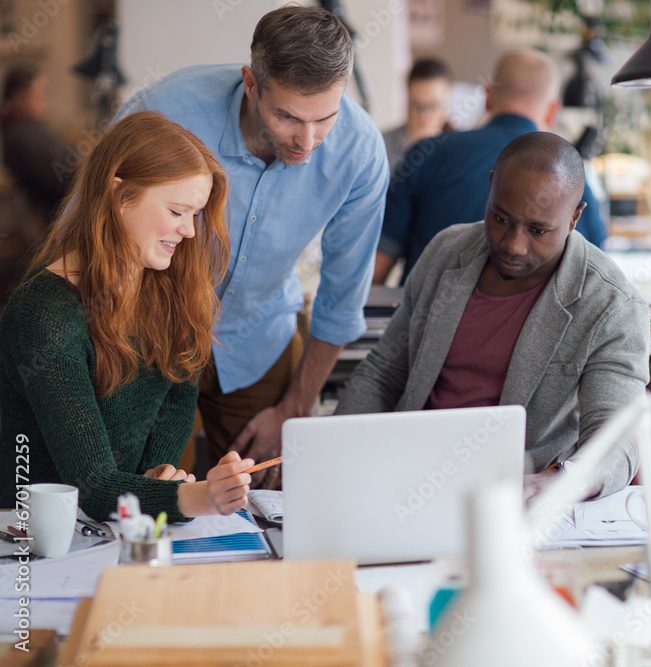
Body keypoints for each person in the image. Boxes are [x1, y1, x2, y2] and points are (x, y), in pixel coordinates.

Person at [114, 6, 390, 486]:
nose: (307, 140)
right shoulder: (164, 112)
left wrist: (293, 408)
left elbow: (341, 300)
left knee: (270, 498)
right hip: (148, 338)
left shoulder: (360, 151)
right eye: (287, 116)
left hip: (258, 341)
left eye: (324, 118)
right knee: (147, 497)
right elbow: (94, 236)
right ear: (250, 83)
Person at [337, 132, 649, 498]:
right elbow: (383, 373)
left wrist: (557, 483)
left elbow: (617, 437)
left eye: (538, 230)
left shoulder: (612, 304)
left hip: (514, 497)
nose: (513, 245)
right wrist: (332, 454)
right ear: (490, 189)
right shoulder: (446, 251)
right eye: (501, 218)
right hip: (409, 481)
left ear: (575, 217)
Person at [0, 111, 254, 522]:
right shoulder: (44, 314)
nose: (190, 231)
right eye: (176, 211)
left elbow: (175, 403)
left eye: (195, 214)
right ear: (119, 197)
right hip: (36, 534)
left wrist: (159, 476)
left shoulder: (172, 288)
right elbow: (93, 486)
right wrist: (200, 497)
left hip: (119, 526)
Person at [373, 49, 608, 286]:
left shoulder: (425, 153)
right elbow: (595, 275)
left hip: (425, 307)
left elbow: (377, 266)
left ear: (488, 96)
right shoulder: (570, 178)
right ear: (553, 110)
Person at [1, 64, 73, 224]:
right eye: (39, 94)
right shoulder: (19, 135)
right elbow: (58, 179)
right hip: (58, 214)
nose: (45, 99)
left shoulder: (32, 127)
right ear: (19, 97)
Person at [381, 58, 454, 171]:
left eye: (433, 106)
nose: (424, 115)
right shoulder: (382, 146)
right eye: (416, 105)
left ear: (447, 100)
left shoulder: (458, 148)